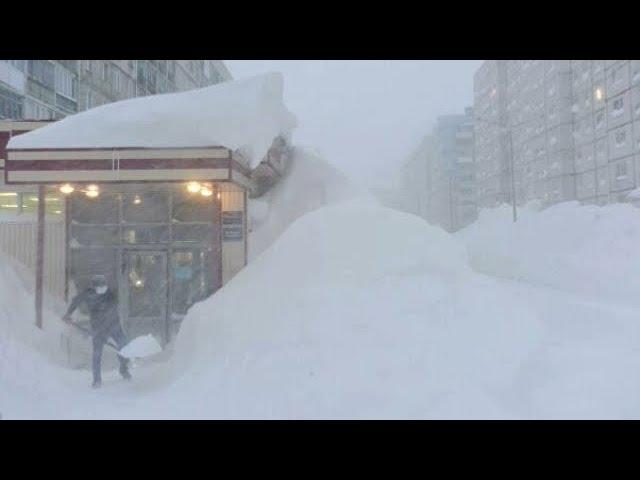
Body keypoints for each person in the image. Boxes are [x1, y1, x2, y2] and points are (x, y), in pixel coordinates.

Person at [62, 274, 131, 388]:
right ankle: (97, 379)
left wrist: (109, 322)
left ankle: (124, 369)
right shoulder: (88, 294)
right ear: (94, 287)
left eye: (104, 286)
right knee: (97, 354)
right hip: (99, 329)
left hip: (114, 326)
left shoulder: (110, 294)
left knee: (124, 347)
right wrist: (68, 314)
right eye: (100, 287)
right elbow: (76, 301)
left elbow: (113, 309)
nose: (103, 289)